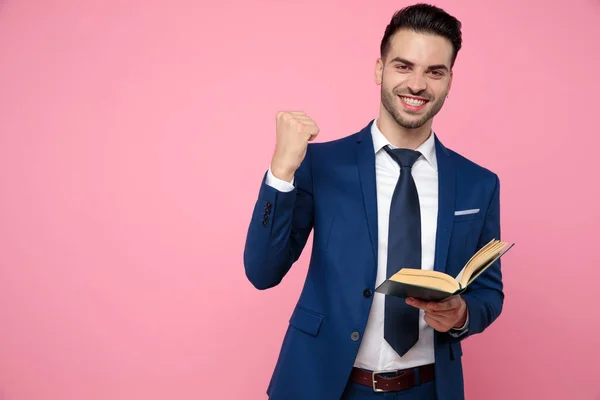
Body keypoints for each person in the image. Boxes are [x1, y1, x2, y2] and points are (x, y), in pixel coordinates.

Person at [243, 3, 504, 400]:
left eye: (434, 71)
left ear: (450, 79)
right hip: (324, 386)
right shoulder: (321, 165)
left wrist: (463, 314)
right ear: (380, 69)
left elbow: (489, 292)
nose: (417, 84)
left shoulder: (478, 184)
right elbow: (262, 272)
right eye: (403, 66)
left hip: (429, 389)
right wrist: (281, 171)